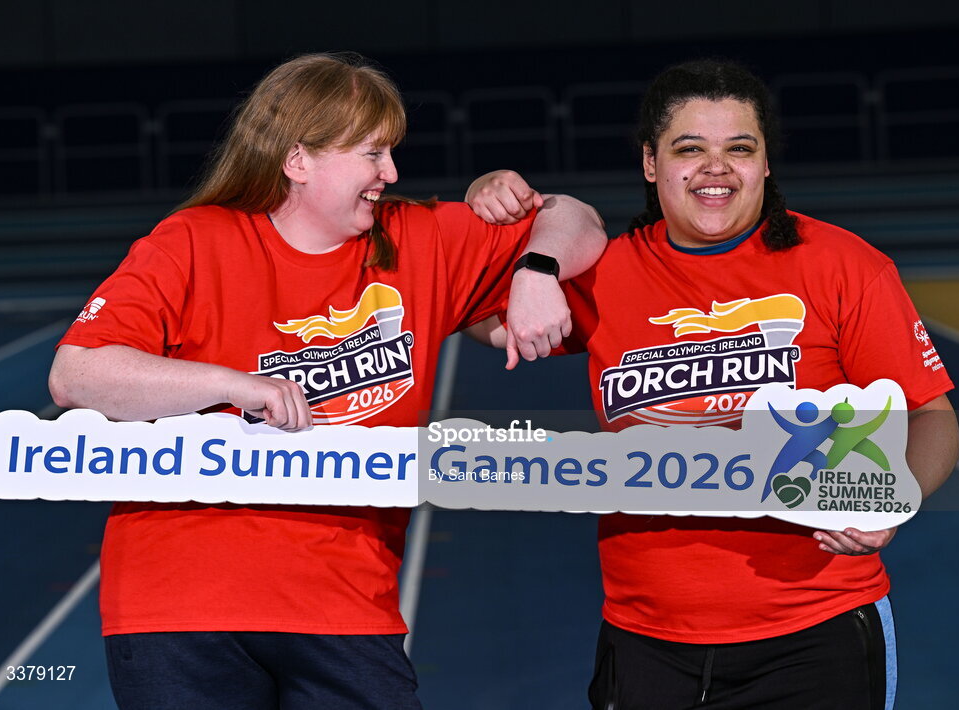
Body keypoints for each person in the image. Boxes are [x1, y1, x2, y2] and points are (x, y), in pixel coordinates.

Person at [48, 53, 606, 709]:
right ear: (298, 161)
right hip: (182, 601)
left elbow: (576, 217)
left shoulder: (417, 238)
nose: (391, 173)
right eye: (372, 154)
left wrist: (536, 269)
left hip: (346, 601)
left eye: (391, 153)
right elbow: (76, 374)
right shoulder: (193, 241)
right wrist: (235, 384)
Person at [465, 59, 959, 710]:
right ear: (651, 163)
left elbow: (931, 416)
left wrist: (892, 499)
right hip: (645, 640)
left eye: (740, 149)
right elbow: (479, 315)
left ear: (765, 163)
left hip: (816, 633)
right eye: (690, 149)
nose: (715, 168)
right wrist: (487, 211)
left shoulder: (844, 266)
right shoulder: (608, 274)